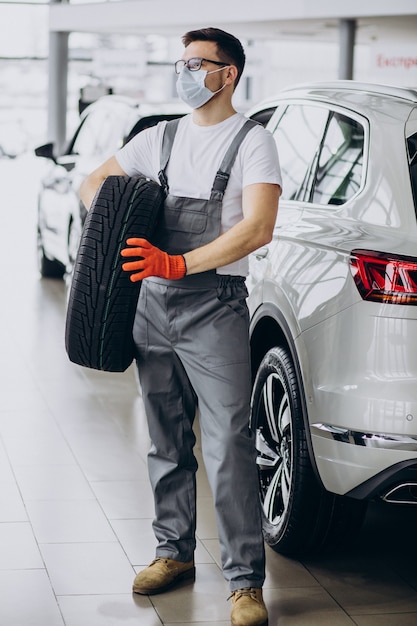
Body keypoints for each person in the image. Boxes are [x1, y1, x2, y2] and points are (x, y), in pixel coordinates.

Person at [80, 26, 282, 626]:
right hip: (151, 305)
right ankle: (174, 553)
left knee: (228, 447)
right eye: (181, 62)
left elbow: (258, 227)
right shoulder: (158, 137)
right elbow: (94, 183)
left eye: (198, 63)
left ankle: (245, 583)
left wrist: (181, 261)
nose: (186, 71)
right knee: (165, 440)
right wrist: (114, 226)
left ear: (229, 74)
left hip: (214, 305)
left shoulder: (253, 141)